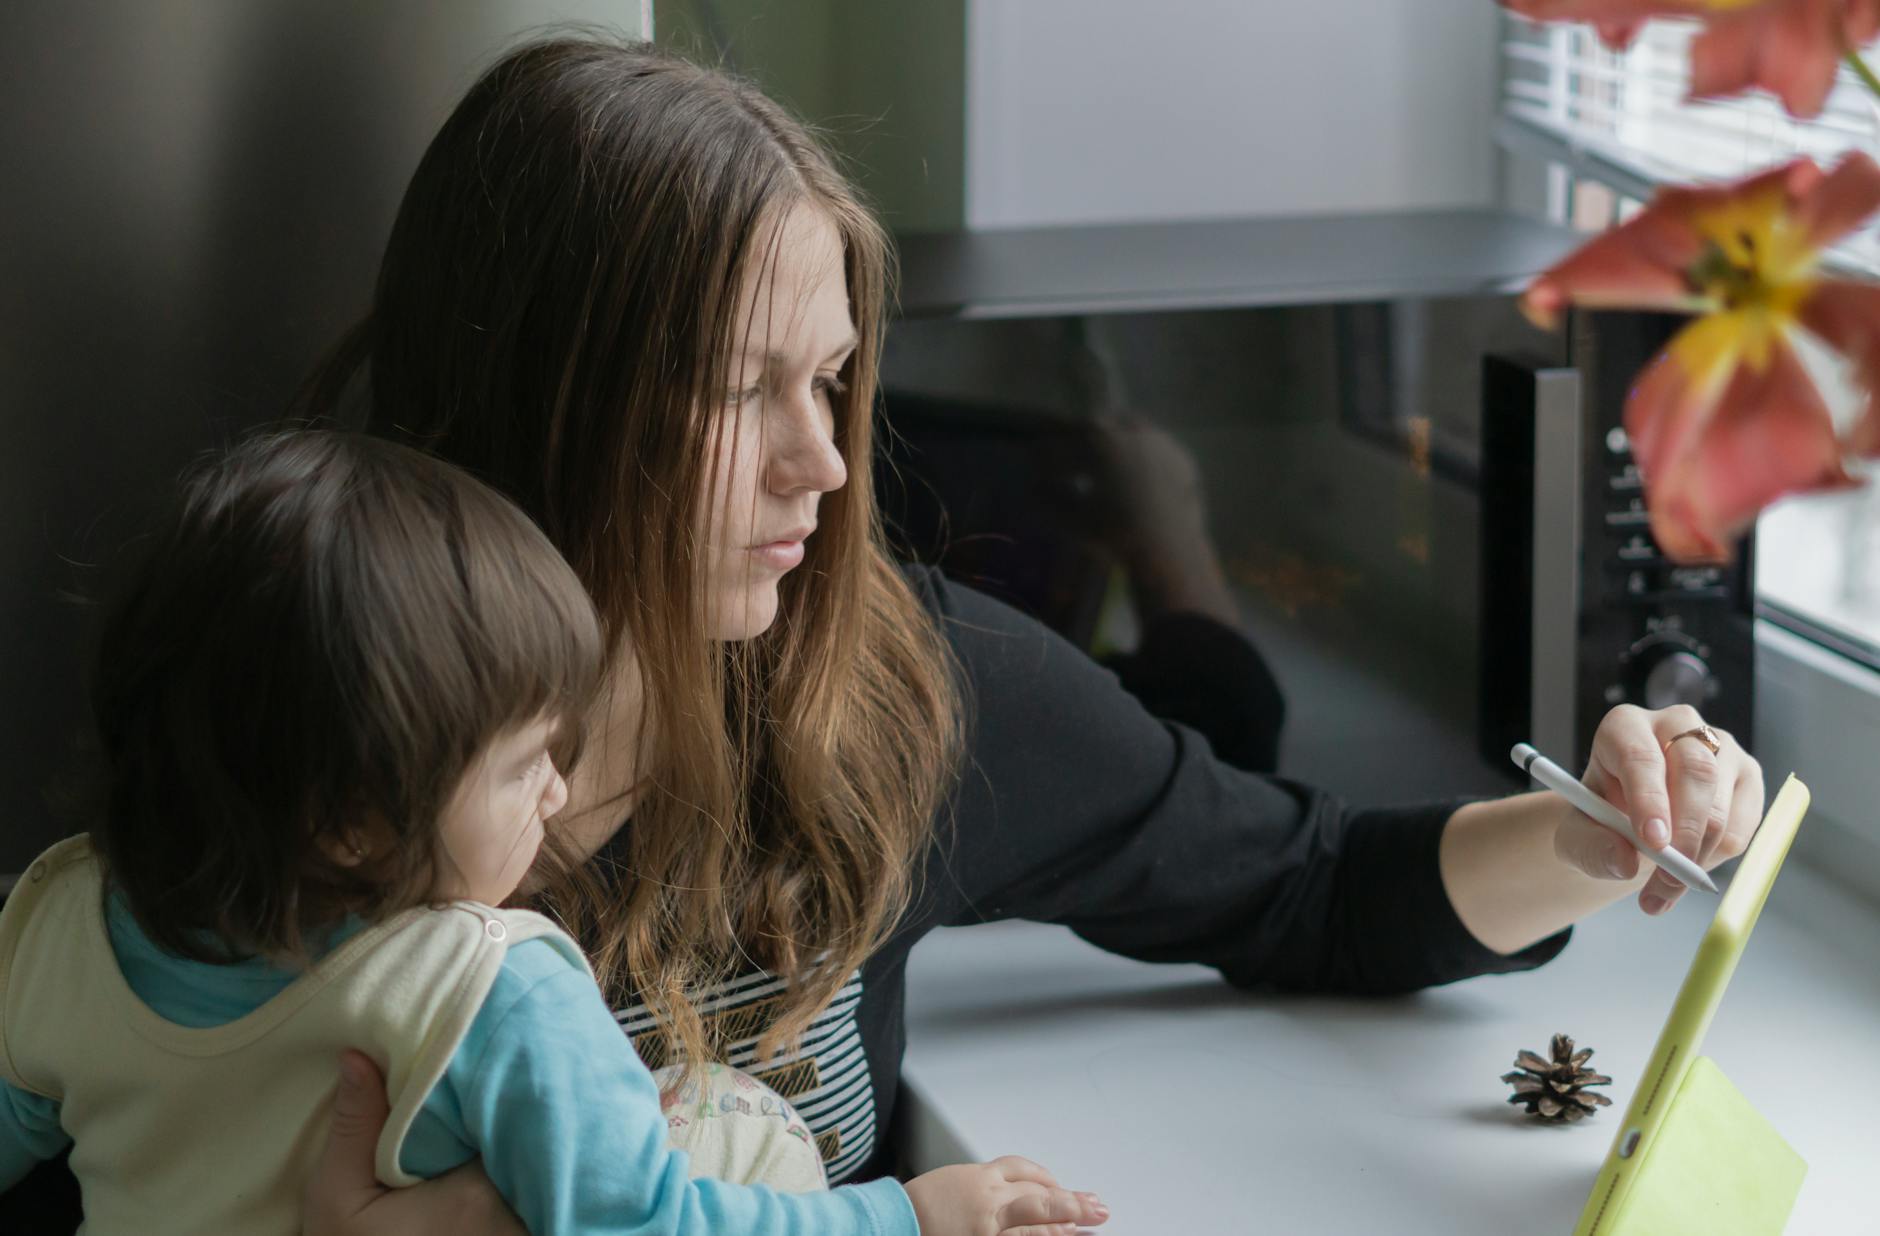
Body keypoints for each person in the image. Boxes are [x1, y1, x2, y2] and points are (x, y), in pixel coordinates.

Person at [0, 35, 1764, 1234]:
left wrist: (1596, 836)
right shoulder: (296, 731)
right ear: (546, 392)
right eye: (736, 389)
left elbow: (1307, 885)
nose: (826, 464)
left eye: (834, 380)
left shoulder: (891, 689)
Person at [0, 431, 1107, 1236]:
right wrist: (906, 1217)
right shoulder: (485, 986)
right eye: (527, 762)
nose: (554, 794)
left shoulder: (56, 925)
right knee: (720, 1114)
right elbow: (649, 1226)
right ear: (348, 825)